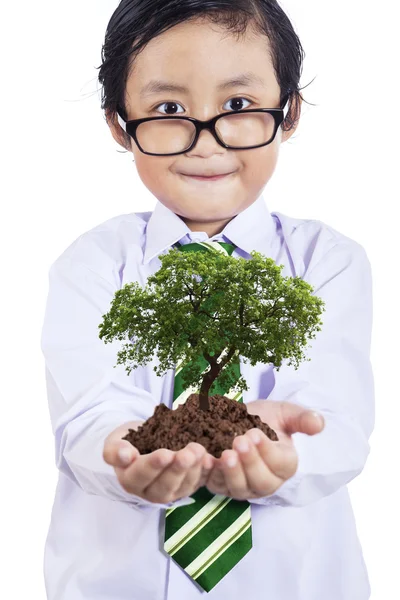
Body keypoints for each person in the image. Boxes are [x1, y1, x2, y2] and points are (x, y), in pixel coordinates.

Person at [40, 1, 374, 599]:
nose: (205, 142)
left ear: (288, 111)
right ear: (120, 123)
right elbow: (89, 412)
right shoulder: (93, 264)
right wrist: (120, 450)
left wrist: (291, 453)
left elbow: (337, 417)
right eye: (169, 109)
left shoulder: (328, 261)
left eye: (239, 106)